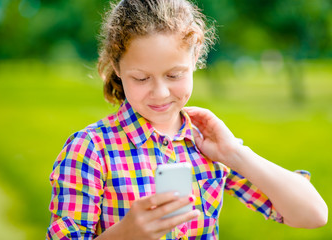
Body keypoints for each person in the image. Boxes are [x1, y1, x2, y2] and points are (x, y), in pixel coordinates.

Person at [46, 0, 328, 239]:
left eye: (174, 75)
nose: (160, 93)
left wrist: (236, 154)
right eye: (141, 78)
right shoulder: (91, 149)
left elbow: (313, 214)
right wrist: (125, 233)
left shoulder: (206, 143)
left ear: (196, 59)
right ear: (118, 68)